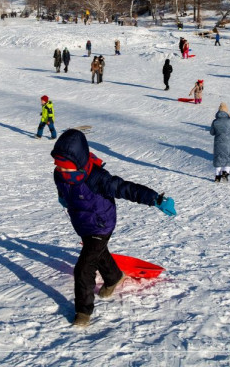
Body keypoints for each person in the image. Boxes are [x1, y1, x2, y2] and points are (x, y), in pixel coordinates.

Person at [51, 129, 175, 327]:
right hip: (82, 223)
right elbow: (62, 187)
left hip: (101, 224)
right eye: (59, 167)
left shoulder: (97, 178)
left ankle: (83, 313)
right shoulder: (60, 174)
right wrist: (63, 198)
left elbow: (126, 188)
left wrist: (156, 199)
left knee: (84, 268)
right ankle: (114, 277)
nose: (62, 172)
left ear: (79, 164)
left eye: (67, 169)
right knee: (98, 254)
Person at [210, 102, 230, 182]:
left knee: (218, 159)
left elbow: (212, 133)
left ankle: (217, 177)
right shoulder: (229, 120)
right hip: (229, 143)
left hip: (218, 143)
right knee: (228, 159)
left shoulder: (215, 121)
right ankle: (225, 174)